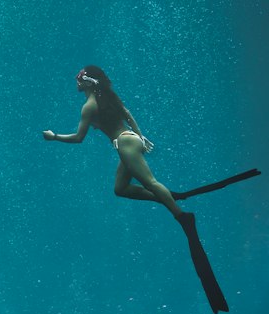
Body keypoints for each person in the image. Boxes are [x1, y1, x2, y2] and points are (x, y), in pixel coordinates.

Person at [42, 65, 189, 225]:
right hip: (129, 140)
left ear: (89, 82)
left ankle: (182, 217)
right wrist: (140, 137)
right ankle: (165, 196)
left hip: (125, 142)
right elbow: (127, 114)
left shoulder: (89, 106)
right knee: (120, 188)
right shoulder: (106, 97)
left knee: (150, 182)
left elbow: (78, 138)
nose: (76, 79)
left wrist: (54, 136)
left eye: (80, 77)